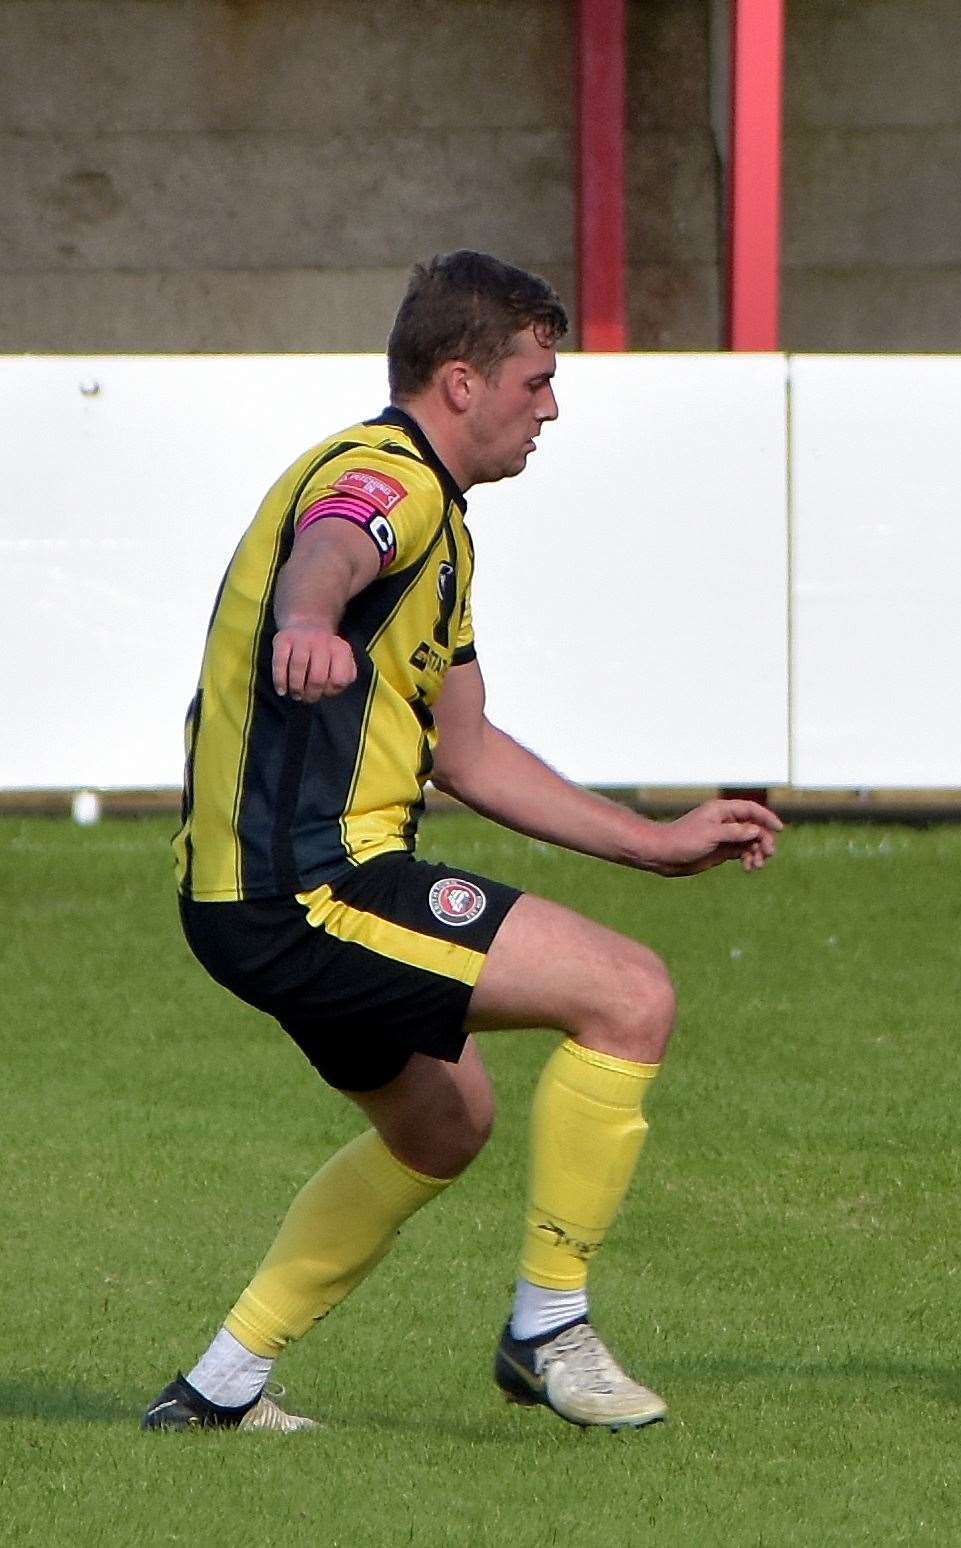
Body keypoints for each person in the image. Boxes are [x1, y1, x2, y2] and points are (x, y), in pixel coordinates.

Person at [144, 251, 782, 1434]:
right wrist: (306, 619)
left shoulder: (442, 524)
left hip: (260, 893)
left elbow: (469, 750)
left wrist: (652, 841)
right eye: (536, 380)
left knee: (445, 1121)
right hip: (308, 887)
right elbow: (331, 548)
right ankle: (548, 1324)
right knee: (629, 995)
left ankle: (218, 1389)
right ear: (459, 382)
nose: (552, 405)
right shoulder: (392, 482)